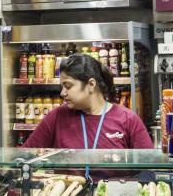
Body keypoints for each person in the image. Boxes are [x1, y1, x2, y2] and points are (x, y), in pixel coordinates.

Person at [23, 53, 153, 152]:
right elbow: (25, 155)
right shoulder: (57, 117)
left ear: (91, 84)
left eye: (68, 86)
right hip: (71, 187)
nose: (62, 93)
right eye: (61, 87)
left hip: (113, 188)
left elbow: (148, 168)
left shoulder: (128, 119)